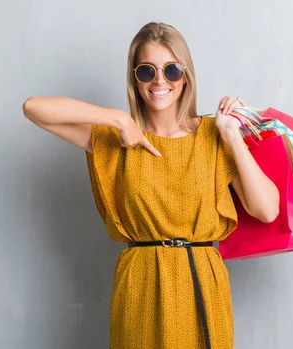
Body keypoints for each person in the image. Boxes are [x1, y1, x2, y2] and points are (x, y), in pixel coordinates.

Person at [23, 21, 279, 349]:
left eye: (171, 70)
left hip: (201, 281)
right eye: (147, 71)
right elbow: (33, 108)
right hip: (141, 284)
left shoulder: (215, 134)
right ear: (134, 78)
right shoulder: (114, 139)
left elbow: (267, 209)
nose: (160, 81)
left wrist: (231, 135)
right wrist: (119, 120)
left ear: (186, 75)